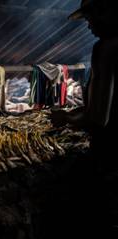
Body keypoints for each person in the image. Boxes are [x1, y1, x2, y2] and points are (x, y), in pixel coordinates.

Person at [49, 0, 118, 237]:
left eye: (91, 19)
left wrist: (66, 120)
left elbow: (99, 117)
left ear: (107, 11)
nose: (89, 27)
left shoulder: (107, 48)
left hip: (112, 156)